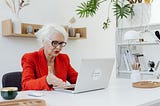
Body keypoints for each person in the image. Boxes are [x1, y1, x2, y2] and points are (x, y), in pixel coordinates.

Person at [21, 24, 78, 90]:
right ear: (43, 41)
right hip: (38, 99)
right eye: (55, 43)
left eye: (61, 43)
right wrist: (46, 81)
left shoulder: (64, 58)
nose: (59, 47)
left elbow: (77, 79)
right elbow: (26, 85)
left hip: (60, 98)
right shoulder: (30, 58)